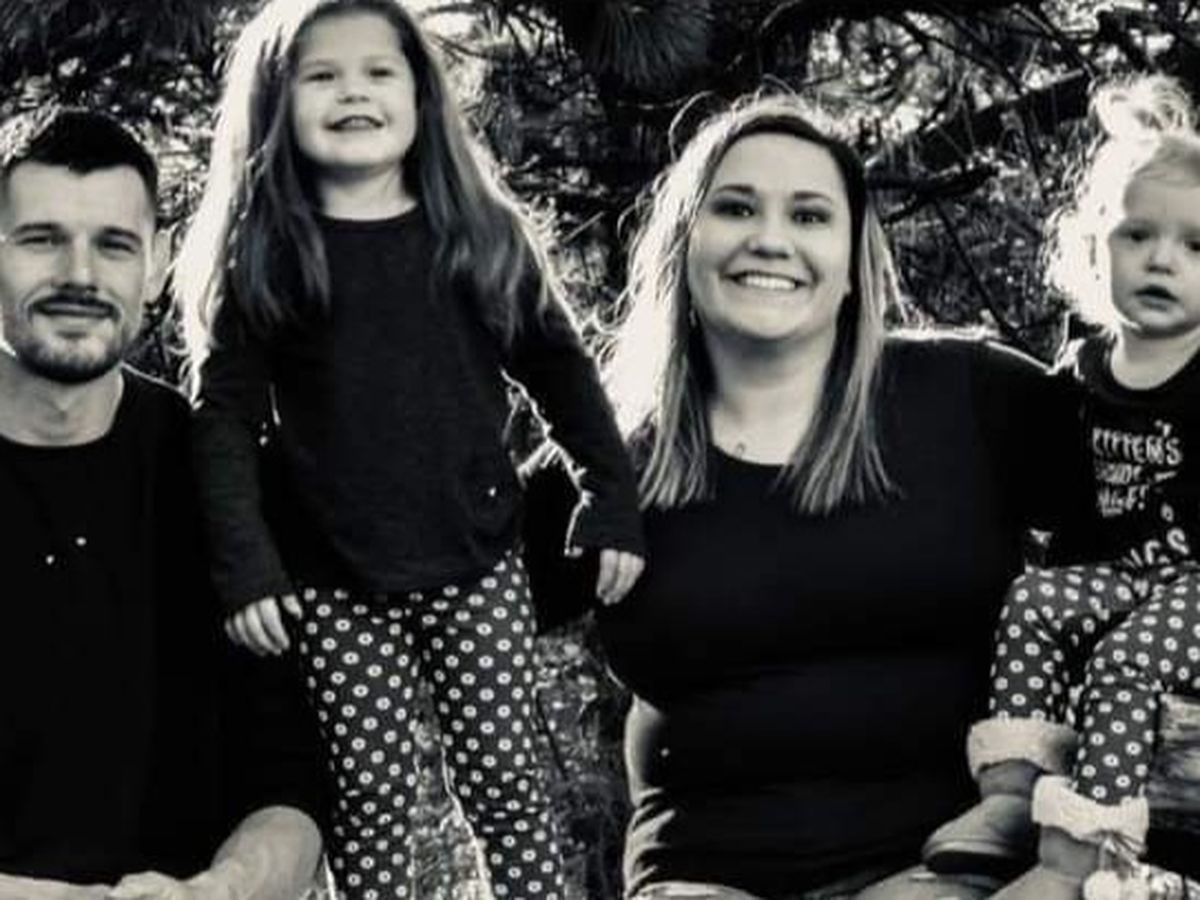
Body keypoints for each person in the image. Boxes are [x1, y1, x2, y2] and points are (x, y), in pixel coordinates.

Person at [173, 0, 646, 897]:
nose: (354, 91)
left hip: (477, 563)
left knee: (506, 782)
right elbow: (223, 422)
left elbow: (560, 370)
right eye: (322, 75)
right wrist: (247, 567)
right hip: (333, 579)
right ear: (275, 101)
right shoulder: (268, 253)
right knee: (369, 801)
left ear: (421, 95)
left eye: (378, 72)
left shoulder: (476, 234)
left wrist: (608, 495)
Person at [596, 92, 1092, 900]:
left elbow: (1156, 491)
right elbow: (429, 576)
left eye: (810, 215)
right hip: (700, 874)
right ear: (683, 242)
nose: (771, 239)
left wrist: (1072, 858)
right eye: (735, 208)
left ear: (855, 257)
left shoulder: (969, 397)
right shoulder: (610, 459)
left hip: (943, 864)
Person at [0, 109, 325, 899]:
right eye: (41, 240)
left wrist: (220, 890)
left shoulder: (219, 479)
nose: (79, 276)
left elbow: (291, 790)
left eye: (114, 244)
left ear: (157, 264)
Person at [921, 76, 1200, 900]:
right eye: (1137, 234)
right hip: (1127, 579)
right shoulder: (1083, 371)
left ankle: (1082, 853)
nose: (1162, 259)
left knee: (1126, 660)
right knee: (1035, 601)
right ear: (1093, 246)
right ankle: (1013, 794)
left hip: (1199, 589)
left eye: (1196, 246)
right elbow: (1058, 497)